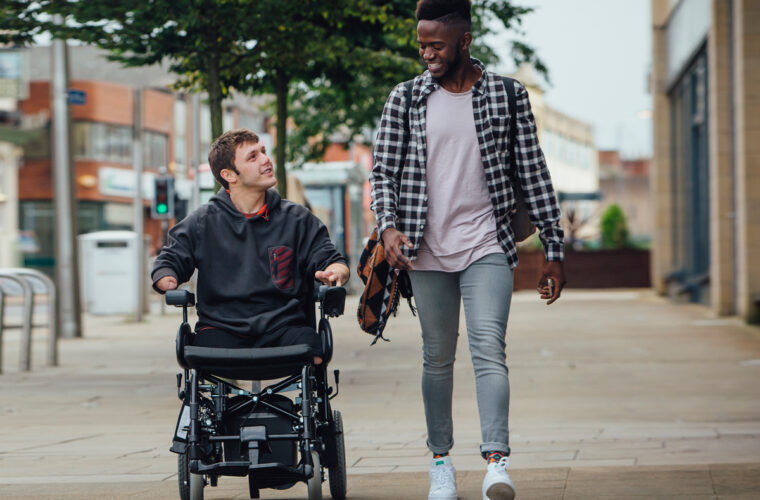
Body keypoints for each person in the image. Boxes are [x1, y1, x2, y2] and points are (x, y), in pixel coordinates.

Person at [370, 1, 566, 499]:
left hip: (487, 243)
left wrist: (554, 249)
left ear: (464, 40)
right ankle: (441, 463)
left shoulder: (507, 95)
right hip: (425, 248)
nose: (426, 54)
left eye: (435, 45)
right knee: (437, 356)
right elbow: (383, 172)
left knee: (488, 349)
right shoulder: (406, 98)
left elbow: (534, 172)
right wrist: (388, 227)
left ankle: (496, 464)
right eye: (421, 45)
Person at [152, 128, 349, 364]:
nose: (266, 160)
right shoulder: (202, 222)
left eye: (264, 152)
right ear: (230, 175)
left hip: (284, 327)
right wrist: (166, 278)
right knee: (197, 357)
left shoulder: (297, 218)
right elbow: (169, 259)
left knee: (315, 354)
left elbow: (330, 259)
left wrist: (336, 271)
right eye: (253, 157)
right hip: (221, 328)